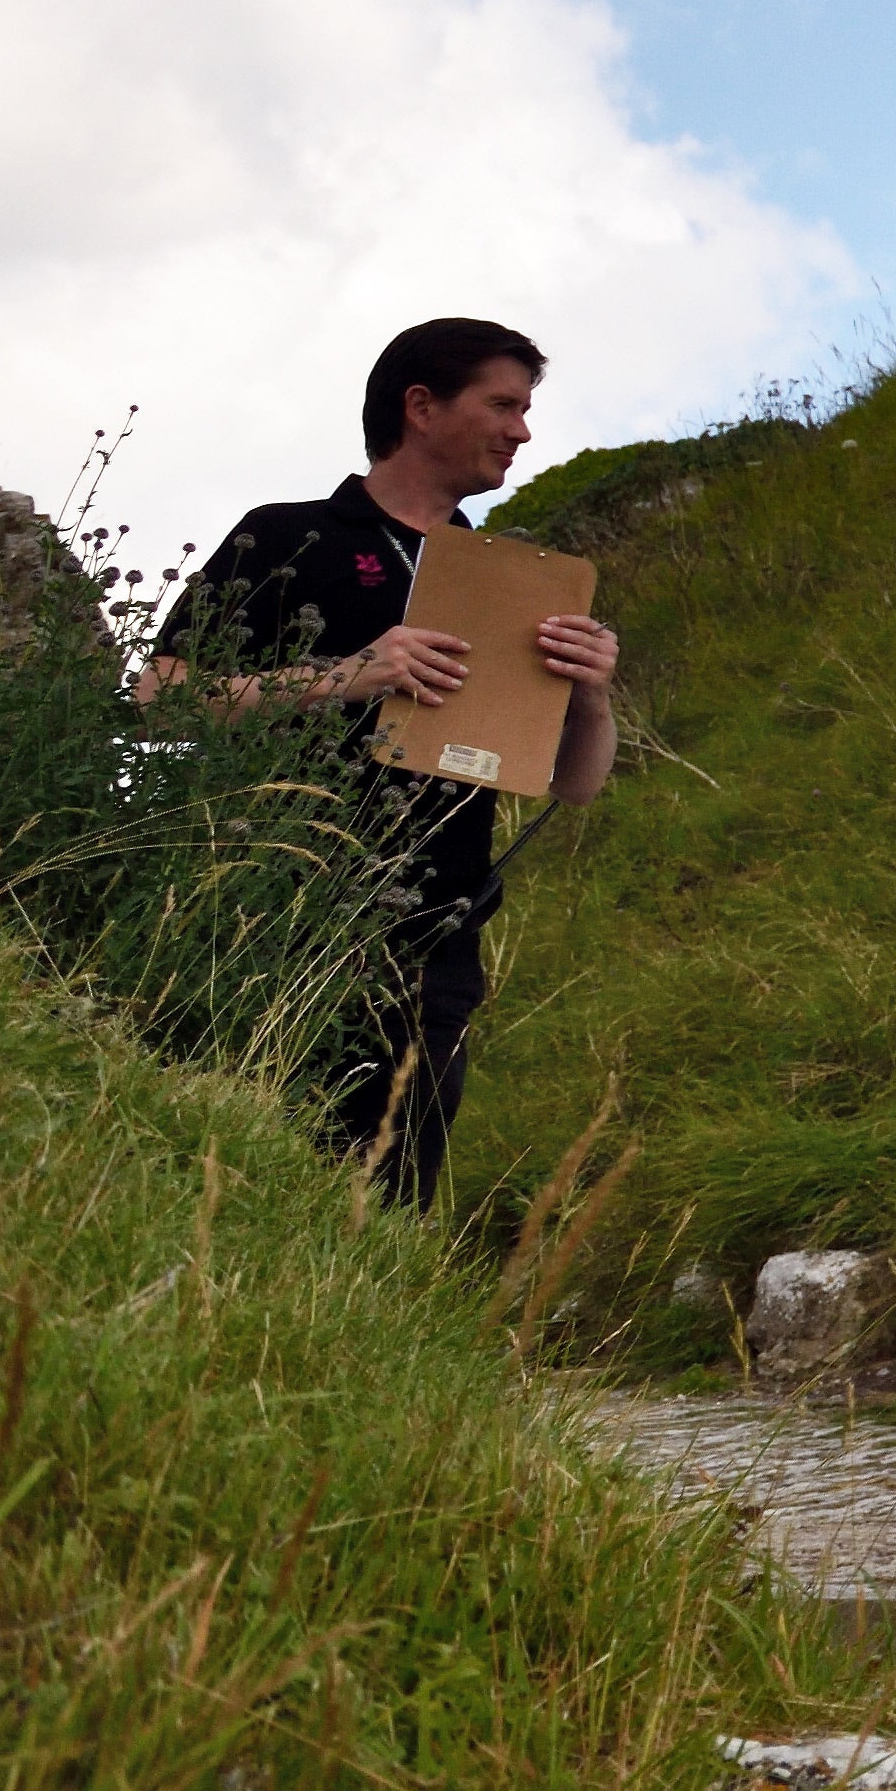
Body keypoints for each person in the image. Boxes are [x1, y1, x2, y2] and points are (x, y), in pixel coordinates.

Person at [143, 318, 623, 1211]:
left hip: (433, 944)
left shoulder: (517, 582)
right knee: (236, 1192)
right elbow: (160, 698)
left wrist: (592, 693)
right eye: (504, 404)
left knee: (383, 1221)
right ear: (420, 406)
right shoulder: (287, 535)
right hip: (270, 920)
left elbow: (577, 783)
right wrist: (345, 677)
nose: (523, 430)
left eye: (528, 409)